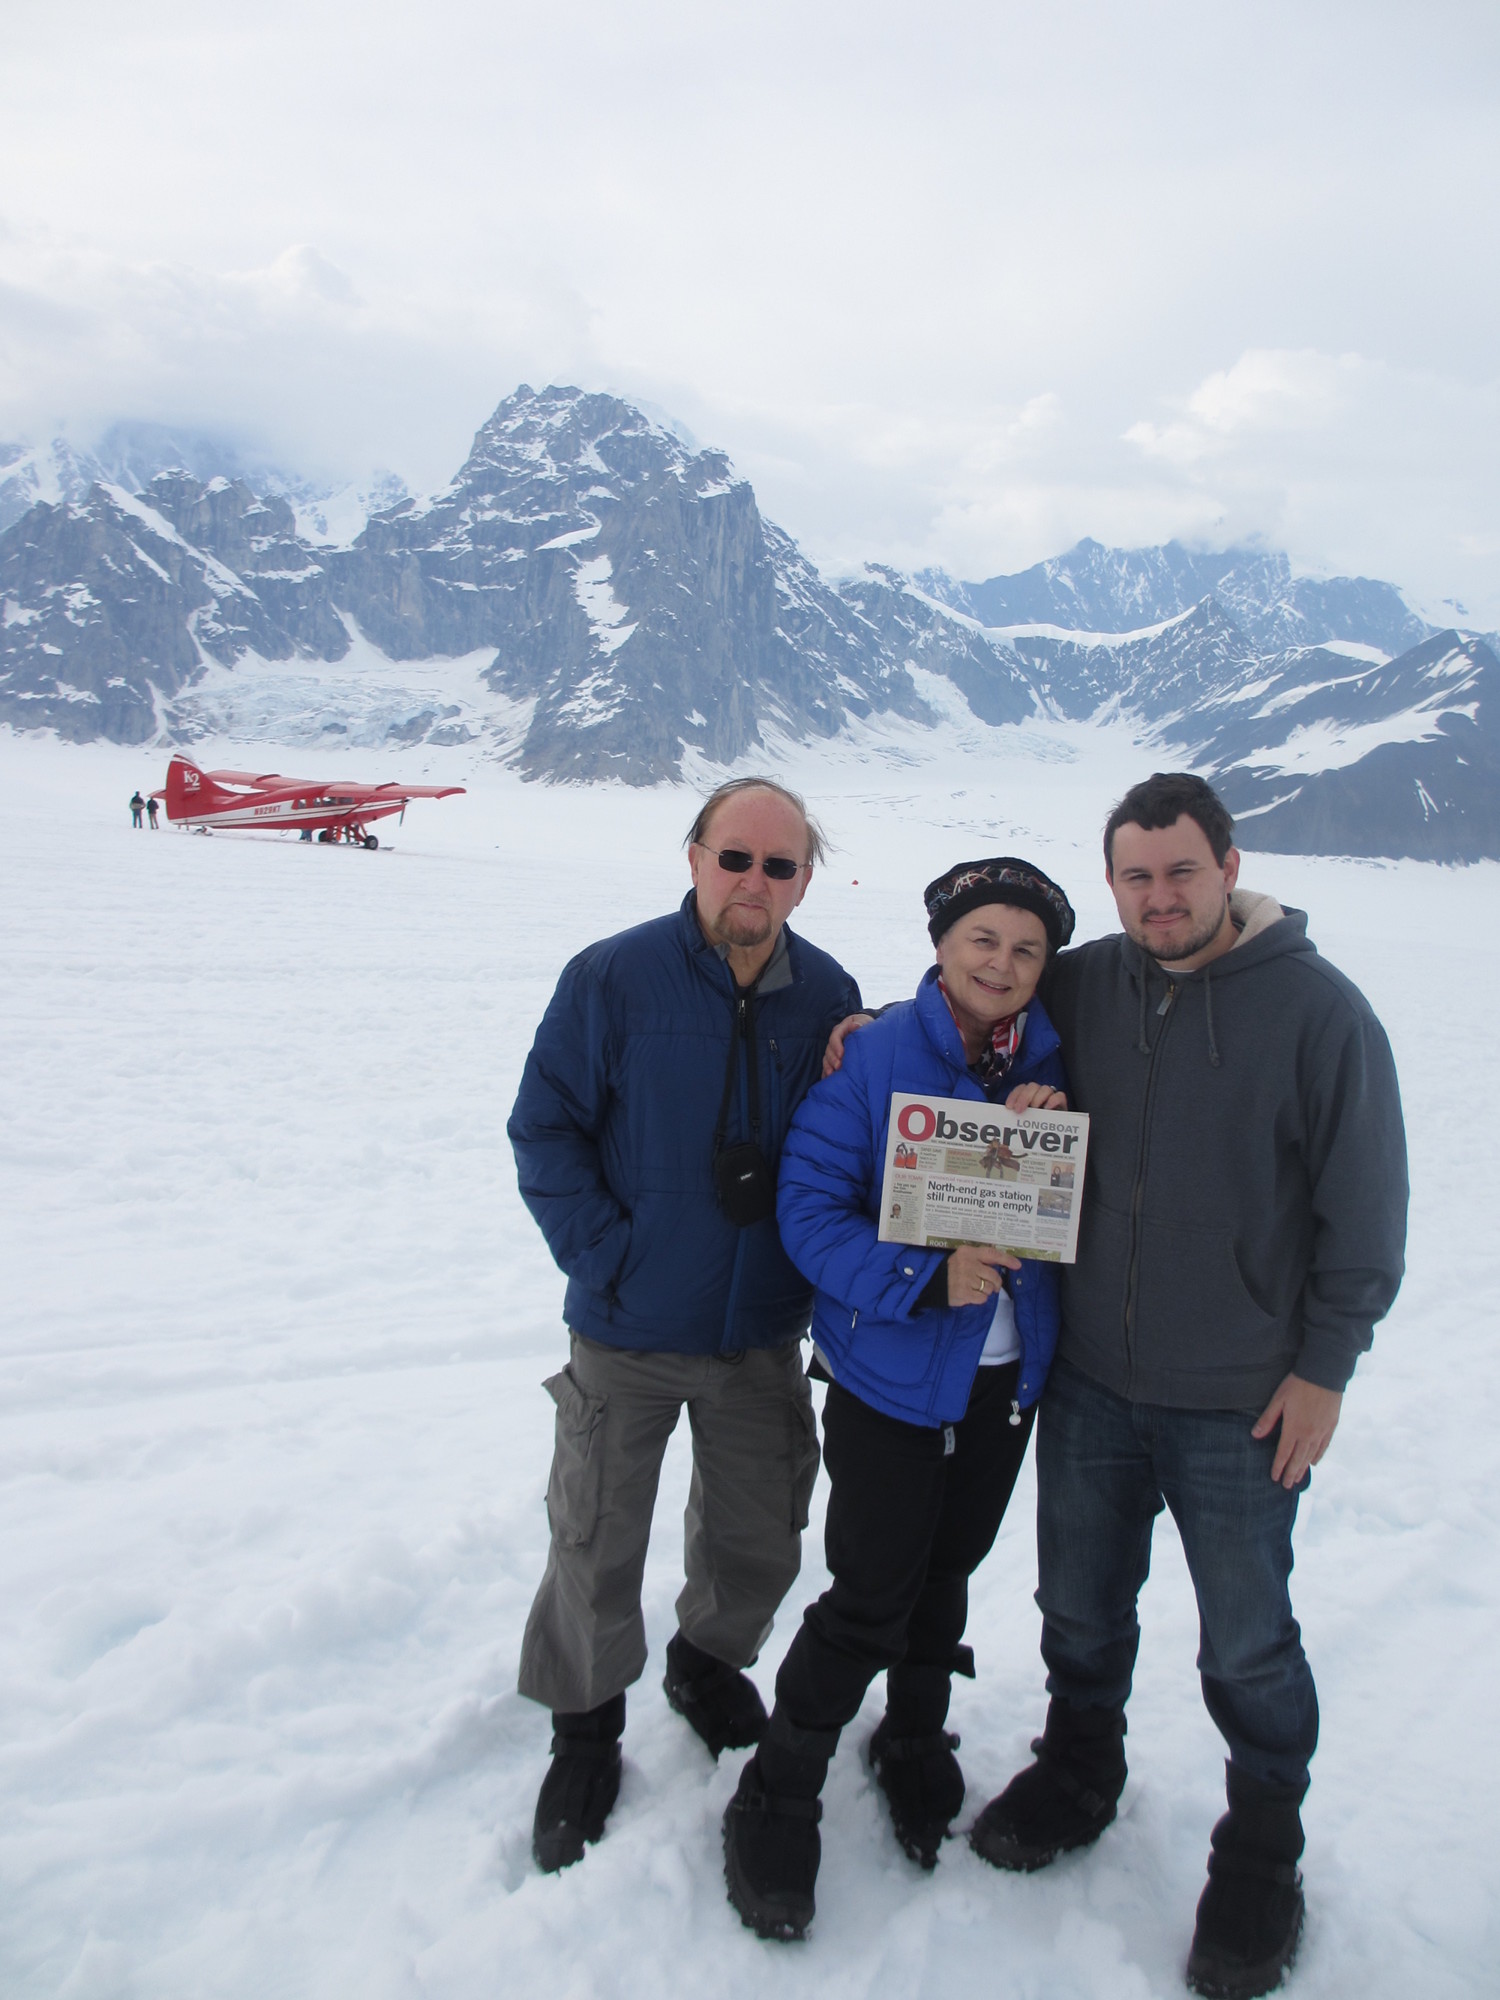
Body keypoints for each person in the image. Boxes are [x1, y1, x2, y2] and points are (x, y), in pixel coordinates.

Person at [959, 774, 1408, 2000]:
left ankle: (1263, 1845)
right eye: (1135, 876)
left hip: (1243, 1398)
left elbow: (1364, 1212)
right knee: (1081, 1607)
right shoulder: (1088, 982)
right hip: (1095, 1378)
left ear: (1228, 865)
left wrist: (1324, 1366)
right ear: (1111, 881)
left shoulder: (1320, 1014)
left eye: (1181, 871)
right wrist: (866, 1026)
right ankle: (1080, 1765)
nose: (1159, 897)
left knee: (1249, 1645)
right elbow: (972, 1000)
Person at [508, 777, 863, 1875]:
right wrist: (608, 1255)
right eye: (736, 856)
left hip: (759, 1328)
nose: (755, 882)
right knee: (595, 1532)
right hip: (626, 1322)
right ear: (695, 854)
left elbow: (869, 1139)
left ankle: (706, 1664)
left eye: (781, 864)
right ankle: (585, 1726)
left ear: (806, 878)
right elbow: (546, 1128)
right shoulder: (613, 975)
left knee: (759, 1529)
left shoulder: (831, 996)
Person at [722, 857, 1075, 1941]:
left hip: (1005, 1378)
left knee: (947, 1571)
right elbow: (809, 1210)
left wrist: (1037, 1138)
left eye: (1024, 947)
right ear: (940, 946)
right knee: (871, 1589)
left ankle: (914, 1733)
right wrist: (924, 1273)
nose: (1002, 964)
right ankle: (780, 1783)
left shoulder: (1060, 1059)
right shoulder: (875, 1057)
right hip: (891, 1379)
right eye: (982, 940)